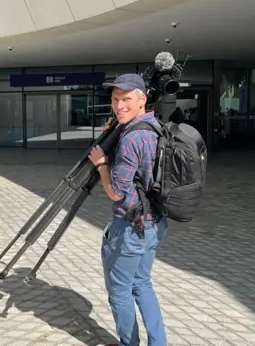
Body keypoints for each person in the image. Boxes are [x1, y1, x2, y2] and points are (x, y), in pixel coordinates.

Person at [88, 74, 168, 346]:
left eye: (126, 99)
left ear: (142, 99)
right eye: (115, 99)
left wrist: (101, 164)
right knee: (142, 284)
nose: (119, 105)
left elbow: (116, 192)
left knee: (120, 291)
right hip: (155, 223)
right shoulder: (154, 126)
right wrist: (116, 129)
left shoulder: (132, 139)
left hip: (131, 227)